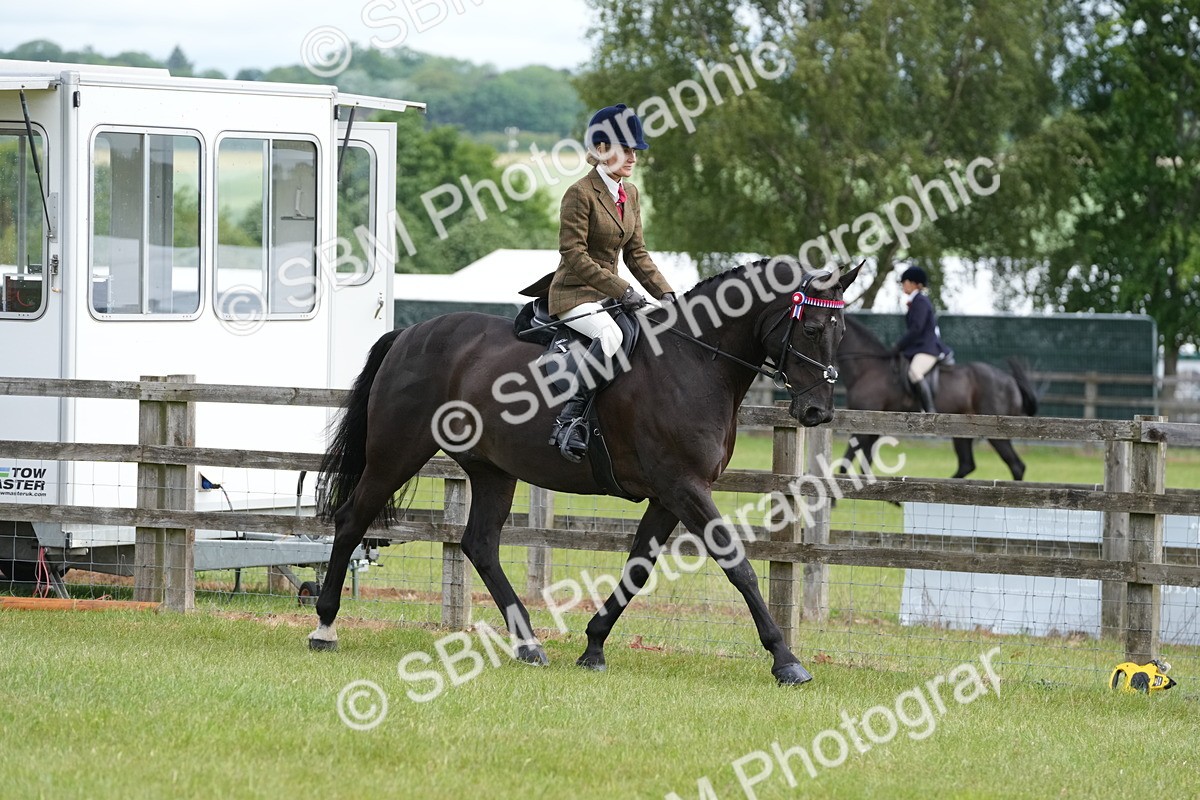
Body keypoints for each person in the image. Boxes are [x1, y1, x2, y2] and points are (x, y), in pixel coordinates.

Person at [534, 103, 676, 462]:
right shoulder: (580, 193)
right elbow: (573, 254)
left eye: (634, 151)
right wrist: (623, 290)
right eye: (624, 149)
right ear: (600, 150)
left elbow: (637, 254)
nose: (632, 157)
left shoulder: (631, 195)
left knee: (650, 332)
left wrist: (668, 295)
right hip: (574, 294)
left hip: (609, 297)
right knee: (610, 336)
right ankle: (570, 420)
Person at [893, 265, 950, 413]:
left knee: (914, 372)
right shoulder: (915, 302)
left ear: (914, 283)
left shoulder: (921, 301)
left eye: (905, 281)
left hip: (928, 348)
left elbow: (916, 329)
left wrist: (899, 344)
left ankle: (929, 410)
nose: (902, 284)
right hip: (919, 347)